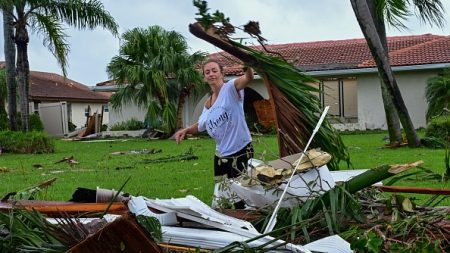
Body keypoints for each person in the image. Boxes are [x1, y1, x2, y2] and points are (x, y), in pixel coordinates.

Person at [175, 59, 254, 207]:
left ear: (222, 73)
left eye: (214, 71)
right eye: (207, 72)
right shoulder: (208, 102)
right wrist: (186, 130)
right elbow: (201, 125)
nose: (211, 74)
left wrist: (247, 64)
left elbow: (248, 78)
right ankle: (227, 220)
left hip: (241, 150)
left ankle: (246, 222)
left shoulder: (230, 88)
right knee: (224, 195)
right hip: (221, 155)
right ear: (204, 77)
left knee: (242, 194)